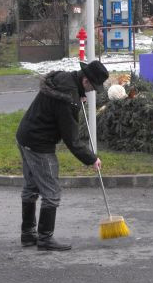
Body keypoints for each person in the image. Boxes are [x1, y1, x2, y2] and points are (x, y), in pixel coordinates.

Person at [16, 60, 109, 251]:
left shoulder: (63, 79)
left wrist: (79, 96)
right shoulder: (68, 98)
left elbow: (60, 103)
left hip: (25, 135)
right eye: (92, 87)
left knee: (31, 187)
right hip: (39, 143)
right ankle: (45, 238)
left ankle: (27, 234)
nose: (92, 91)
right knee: (51, 192)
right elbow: (72, 139)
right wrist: (91, 158)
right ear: (85, 80)